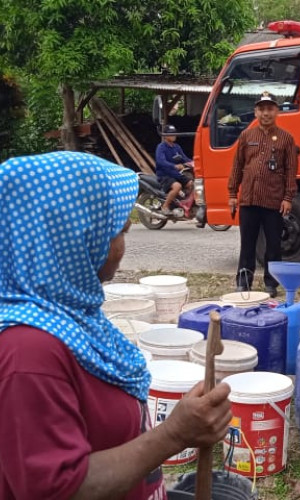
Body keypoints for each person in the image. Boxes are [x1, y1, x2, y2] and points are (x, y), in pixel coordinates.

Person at [0, 152, 232, 499]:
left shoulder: (72, 314)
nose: (123, 248)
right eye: (119, 232)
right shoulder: (28, 354)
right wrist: (175, 434)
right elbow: (56, 489)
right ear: (71, 240)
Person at [228, 92, 298, 298]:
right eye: (262, 109)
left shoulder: (286, 138)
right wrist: (232, 193)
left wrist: (288, 198)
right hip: (248, 199)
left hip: (273, 201)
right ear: (256, 111)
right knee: (247, 243)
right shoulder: (246, 136)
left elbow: (291, 171)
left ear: (276, 111)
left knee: (273, 245)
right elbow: (237, 166)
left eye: (270, 109)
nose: (266, 113)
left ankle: (271, 283)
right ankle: (243, 280)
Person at [155, 124, 194, 215]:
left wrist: (193, 162)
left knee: (191, 184)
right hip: (164, 175)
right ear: (165, 135)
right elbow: (161, 161)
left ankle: (180, 202)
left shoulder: (176, 147)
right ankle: (165, 206)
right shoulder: (161, 147)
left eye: (175, 133)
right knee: (177, 186)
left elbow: (185, 158)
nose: (174, 135)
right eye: (171, 134)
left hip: (176, 174)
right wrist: (174, 166)